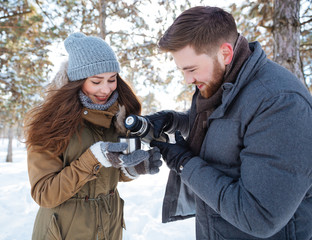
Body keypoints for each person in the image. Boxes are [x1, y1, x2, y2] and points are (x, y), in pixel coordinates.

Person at [146, 6, 312, 240]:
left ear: (225, 53)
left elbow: (259, 216)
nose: (187, 80)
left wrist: (185, 164)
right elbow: (225, 125)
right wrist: (175, 121)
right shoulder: (226, 83)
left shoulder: (281, 104)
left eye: (191, 69)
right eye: (182, 70)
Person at [24, 32, 162, 240]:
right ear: (77, 81)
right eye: (96, 81)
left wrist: (133, 169)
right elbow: (45, 193)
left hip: (109, 227)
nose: (106, 89)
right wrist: (94, 157)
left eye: (111, 79)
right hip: (63, 232)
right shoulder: (51, 123)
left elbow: (110, 176)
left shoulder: (119, 116)